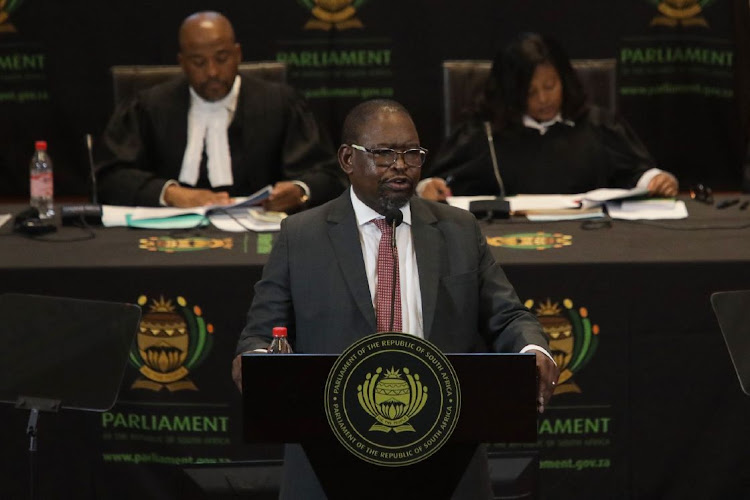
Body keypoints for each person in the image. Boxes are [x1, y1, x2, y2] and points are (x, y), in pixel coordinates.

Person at [232, 99, 559, 500]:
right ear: (348, 159)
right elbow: (261, 334)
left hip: (444, 451)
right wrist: (260, 366)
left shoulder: (458, 230)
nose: (401, 165)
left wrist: (532, 348)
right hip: (330, 454)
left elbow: (507, 316)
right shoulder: (301, 236)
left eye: (412, 154)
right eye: (385, 153)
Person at [95, 11, 345, 210]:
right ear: (182, 62)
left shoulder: (281, 103)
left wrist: (299, 190)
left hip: (263, 233)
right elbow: (108, 177)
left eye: (222, 58)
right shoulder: (148, 106)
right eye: (199, 62)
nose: (212, 72)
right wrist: (170, 194)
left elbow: (328, 174)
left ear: (238, 54)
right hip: (167, 237)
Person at [419, 33, 679, 201]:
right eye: (530, 92)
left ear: (564, 81)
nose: (543, 99)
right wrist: (430, 187)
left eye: (550, 86)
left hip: (593, 237)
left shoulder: (598, 125)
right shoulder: (483, 133)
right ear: (511, 93)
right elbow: (443, 182)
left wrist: (655, 179)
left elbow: (635, 173)